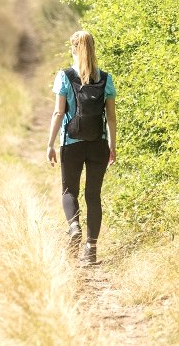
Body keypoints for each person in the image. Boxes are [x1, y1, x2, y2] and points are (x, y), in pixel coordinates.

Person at [45, 29, 117, 265]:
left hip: (71, 143)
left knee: (69, 192)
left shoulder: (64, 76)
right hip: (98, 144)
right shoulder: (106, 78)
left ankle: (74, 227)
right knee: (93, 195)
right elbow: (112, 117)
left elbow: (58, 112)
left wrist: (50, 144)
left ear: (73, 49)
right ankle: (91, 249)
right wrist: (112, 146)